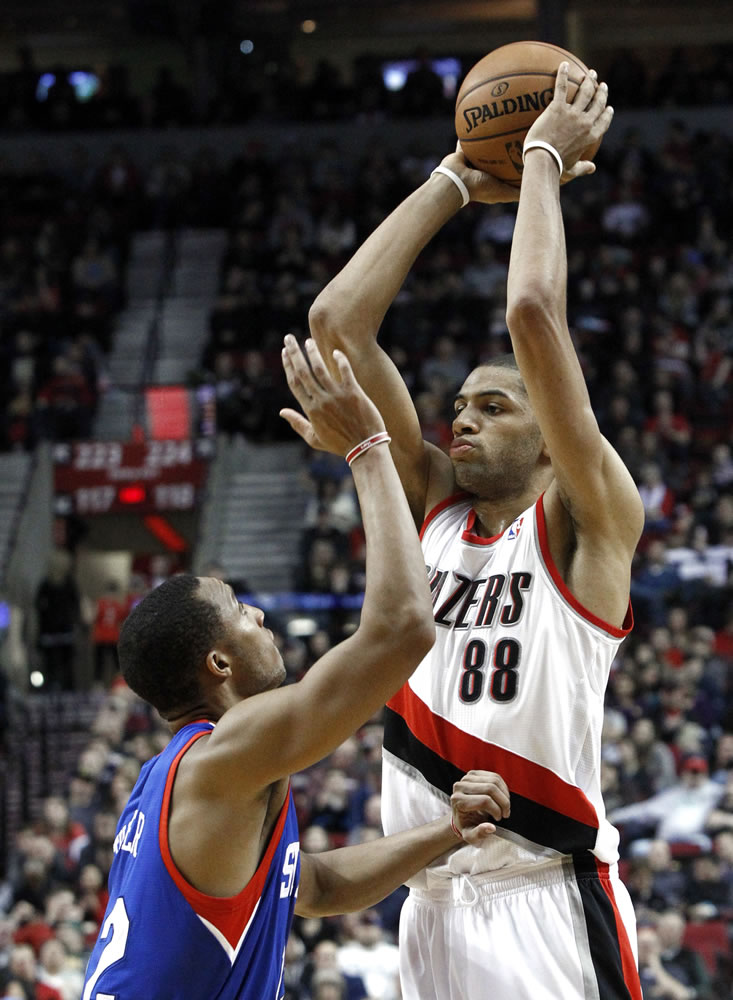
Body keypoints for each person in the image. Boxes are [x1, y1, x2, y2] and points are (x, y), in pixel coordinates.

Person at [310, 64, 645, 999]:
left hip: (544, 893)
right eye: (456, 405)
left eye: (493, 407)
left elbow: (532, 313)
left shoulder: (586, 519)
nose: (460, 419)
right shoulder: (434, 509)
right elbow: (336, 323)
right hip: (425, 902)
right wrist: (454, 177)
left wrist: (540, 158)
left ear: (550, 438)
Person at [81, 336, 510, 999]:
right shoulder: (224, 756)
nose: (255, 612)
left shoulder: (185, 777)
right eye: (236, 609)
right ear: (218, 663)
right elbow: (400, 629)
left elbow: (313, 887)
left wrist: (448, 832)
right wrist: (367, 450)